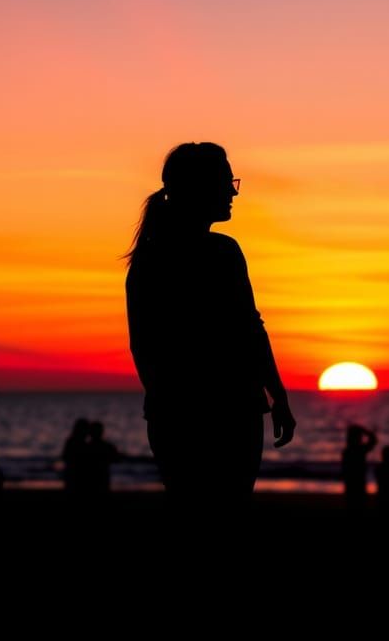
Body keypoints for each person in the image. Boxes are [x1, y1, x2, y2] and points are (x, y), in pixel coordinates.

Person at [125, 142, 296, 507]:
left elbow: (250, 329)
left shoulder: (169, 257)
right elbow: (249, 331)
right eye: (224, 183)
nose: (232, 193)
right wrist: (275, 395)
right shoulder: (208, 255)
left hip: (218, 411)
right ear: (197, 188)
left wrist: (276, 394)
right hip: (220, 414)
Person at [341, 424, 377, 511]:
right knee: (359, 506)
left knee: (351, 505)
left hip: (350, 482)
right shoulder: (360, 449)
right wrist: (366, 431)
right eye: (360, 436)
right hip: (358, 481)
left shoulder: (347, 451)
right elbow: (373, 441)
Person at [85, 421, 119, 495]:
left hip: (90, 479)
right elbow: (116, 458)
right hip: (102, 477)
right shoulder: (107, 446)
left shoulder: (86, 448)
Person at [61, 418, 91, 494]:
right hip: (77, 477)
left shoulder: (71, 441)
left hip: (71, 475)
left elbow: (64, 457)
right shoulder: (82, 444)